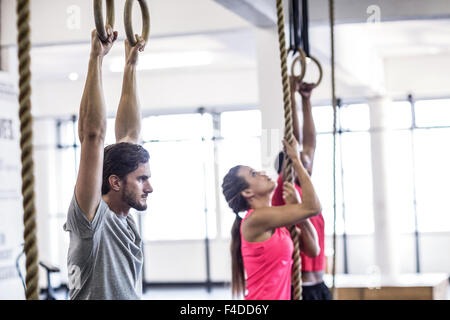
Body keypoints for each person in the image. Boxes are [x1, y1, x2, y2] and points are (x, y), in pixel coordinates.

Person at [63, 26, 152, 300]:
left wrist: (130, 66)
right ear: (114, 182)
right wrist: (96, 58)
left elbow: (129, 136)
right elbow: (92, 136)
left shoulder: (124, 218)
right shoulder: (90, 220)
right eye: (141, 179)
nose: (150, 187)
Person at [222, 138, 322, 300]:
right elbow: (313, 207)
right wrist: (296, 160)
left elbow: (313, 250)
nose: (262, 173)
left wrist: (299, 212)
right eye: (254, 174)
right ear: (247, 193)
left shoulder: (277, 225)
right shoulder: (255, 220)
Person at [272, 77, 332, 300]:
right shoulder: (284, 188)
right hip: (301, 288)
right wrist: (290, 92)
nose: (308, 162)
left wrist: (305, 101)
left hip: (319, 285)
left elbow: (310, 146)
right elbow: (298, 142)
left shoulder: (306, 189)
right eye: (301, 161)